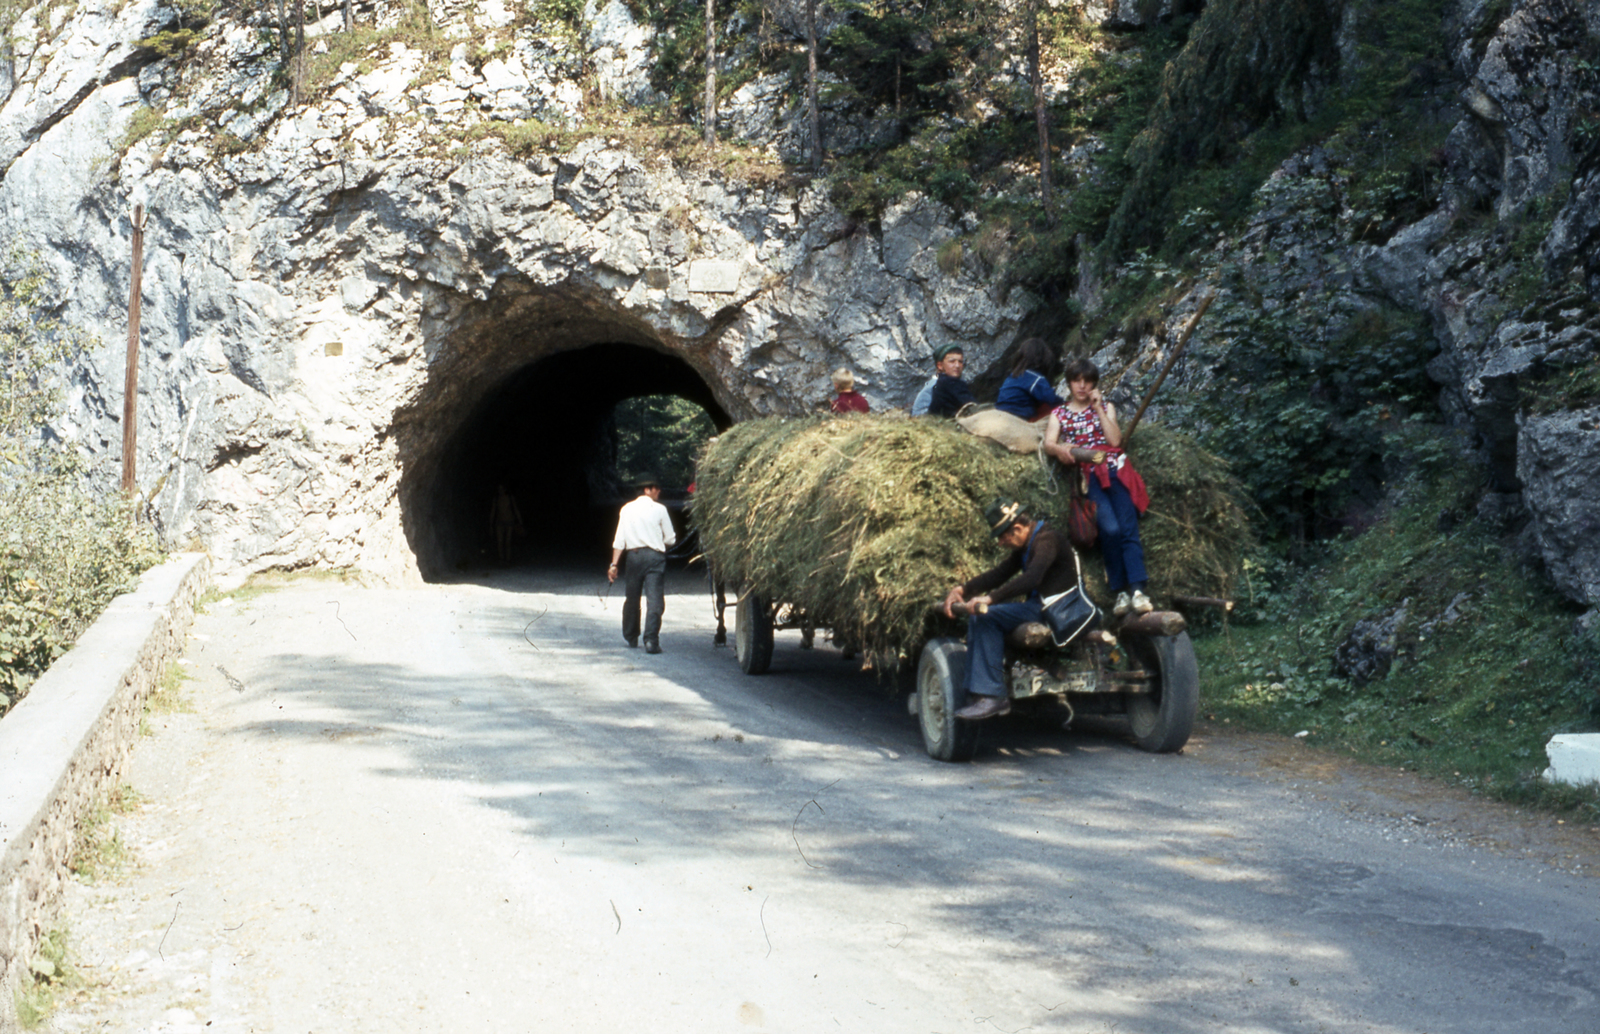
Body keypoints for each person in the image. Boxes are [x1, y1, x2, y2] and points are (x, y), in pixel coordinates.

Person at [941, 499, 1083, 721]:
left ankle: (991, 695)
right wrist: (963, 589)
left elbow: (1032, 578)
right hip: (1040, 607)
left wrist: (990, 598)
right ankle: (977, 694)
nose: (1000, 543)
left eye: (1002, 536)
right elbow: (1001, 573)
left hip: (1055, 611)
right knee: (980, 616)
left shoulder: (1047, 540)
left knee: (986, 618)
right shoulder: (1027, 545)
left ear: (1017, 529)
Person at [1044, 358, 1153, 617]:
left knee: (1128, 528)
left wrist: (1099, 409)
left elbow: (1116, 440)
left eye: (1087, 381)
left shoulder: (1105, 407)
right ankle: (1120, 590)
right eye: (1076, 380)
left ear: (1094, 383)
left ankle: (1138, 590)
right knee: (1110, 529)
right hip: (1088, 475)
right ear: (1069, 383)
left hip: (1116, 471)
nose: (1082, 386)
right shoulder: (1059, 414)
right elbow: (1049, 443)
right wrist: (1061, 449)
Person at [607, 473, 677, 653]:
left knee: (632, 598)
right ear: (647, 490)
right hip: (655, 558)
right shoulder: (660, 509)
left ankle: (631, 636)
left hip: (634, 557)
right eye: (656, 488)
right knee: (655, 600)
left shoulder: (626, 509)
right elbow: (670, 539)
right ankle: (651, 640)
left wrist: (614, 565)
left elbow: (619, 540)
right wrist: (659, 541)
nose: (659, 491)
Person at [994, 337, 1063, 421]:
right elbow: (1052, 400)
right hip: (1019, 414)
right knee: (1046, 408)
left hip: (1000, 411)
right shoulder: (1035, 378)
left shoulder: (1013, 375)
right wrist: (1068, 405)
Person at [925, 344, 975, 418]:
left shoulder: (939, 383)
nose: (957, 365)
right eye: (952, 362)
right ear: (940, 366)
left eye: (960, 362)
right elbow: (970, 405)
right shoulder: (948, 383)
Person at [489, 483, 523, 564]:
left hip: (509, 521)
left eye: (502, 489)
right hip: (499, 521)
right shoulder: (496, 499)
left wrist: (520, 521)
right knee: (499, 541)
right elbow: (493, 511)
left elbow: (515, 509)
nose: (500, 491)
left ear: (505, 489)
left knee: (508, 541)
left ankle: (508, 559)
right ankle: (501, 559)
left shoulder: (510, 498)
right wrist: (490, 524)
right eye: (499, 489)